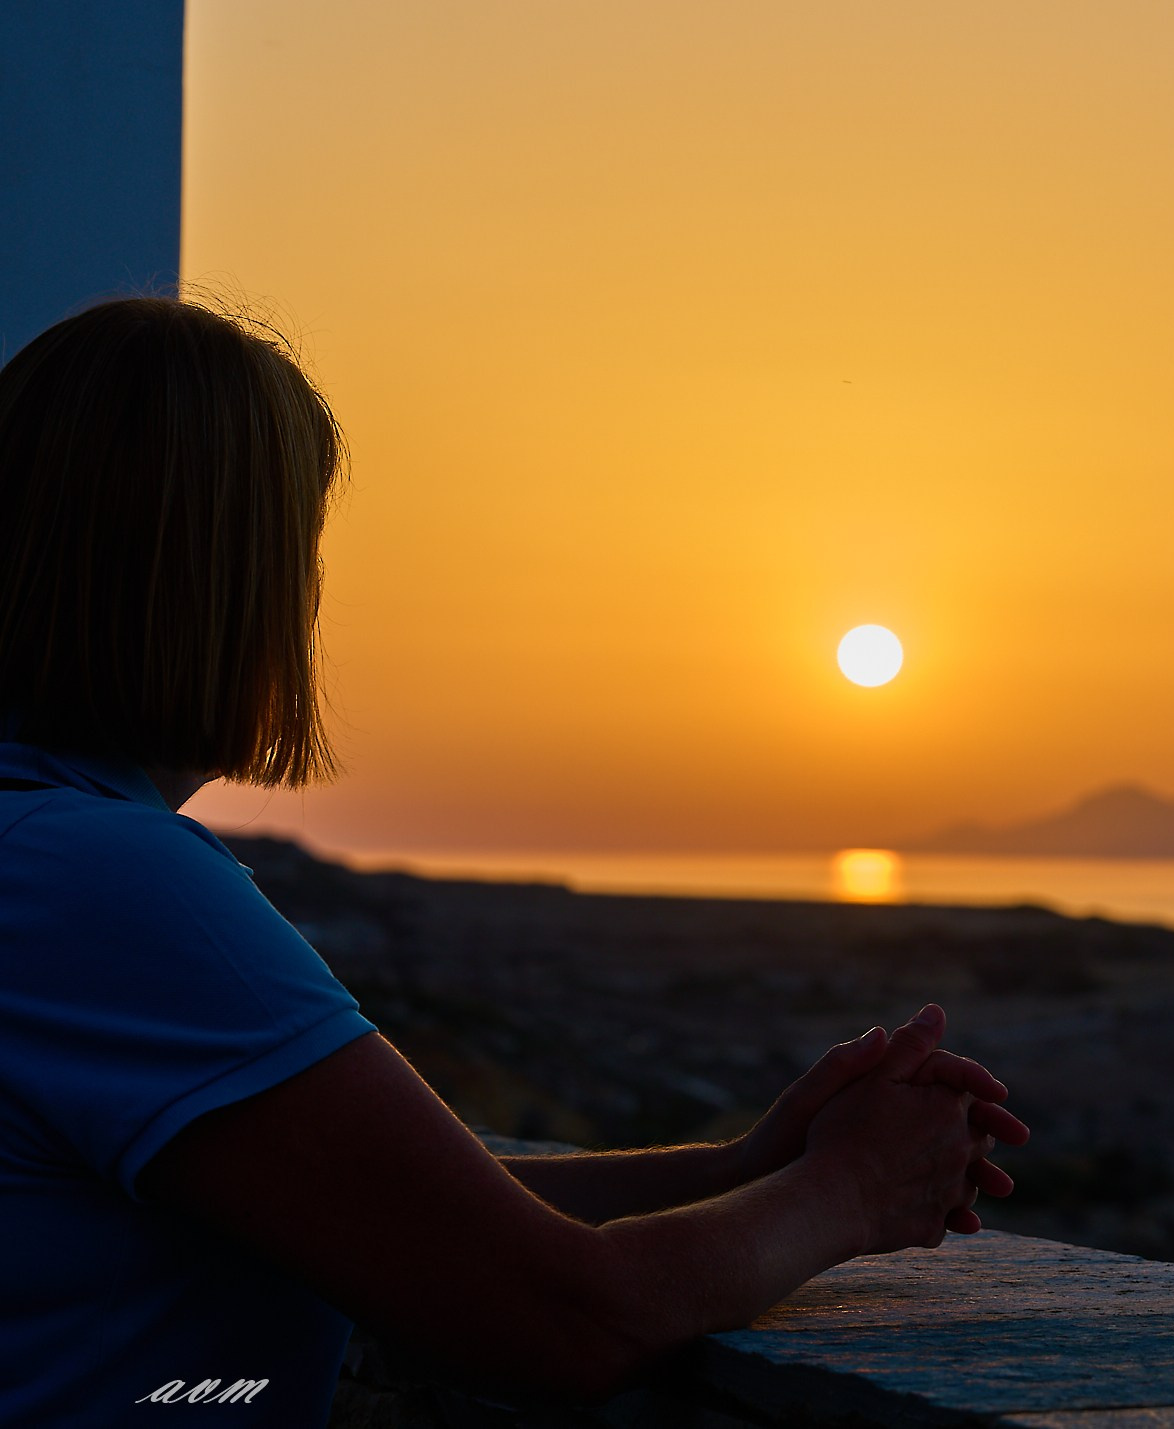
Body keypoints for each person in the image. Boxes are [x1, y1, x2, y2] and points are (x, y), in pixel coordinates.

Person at [0, 297, 1029, 1425]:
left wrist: (748, 1164)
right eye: (300, 550)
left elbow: (396, 1217)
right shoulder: (96, 879)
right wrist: (851, 1191)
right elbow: (558, 1319)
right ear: (224, 582)